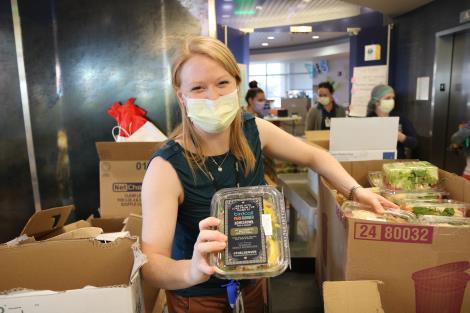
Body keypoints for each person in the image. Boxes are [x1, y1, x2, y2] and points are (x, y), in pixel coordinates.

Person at [141, 36, 396, 313]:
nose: (213, 97)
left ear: (237, 85)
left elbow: (315, 155)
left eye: (222, 83)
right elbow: (151, 264)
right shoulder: (167, 168)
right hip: (199, 299)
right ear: (182, 96)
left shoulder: (252, 131)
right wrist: (192, 271)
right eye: (198, 88)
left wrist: (355, 191)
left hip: (254, 285)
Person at [367, 84, 418, 159]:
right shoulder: (368, 120)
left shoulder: (400, 118)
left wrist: (401, 137)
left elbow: (414, 143)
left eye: (392, 98)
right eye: (388, 98)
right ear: (376, 102)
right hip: (374, 160)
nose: (391, 101)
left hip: (397, 162)